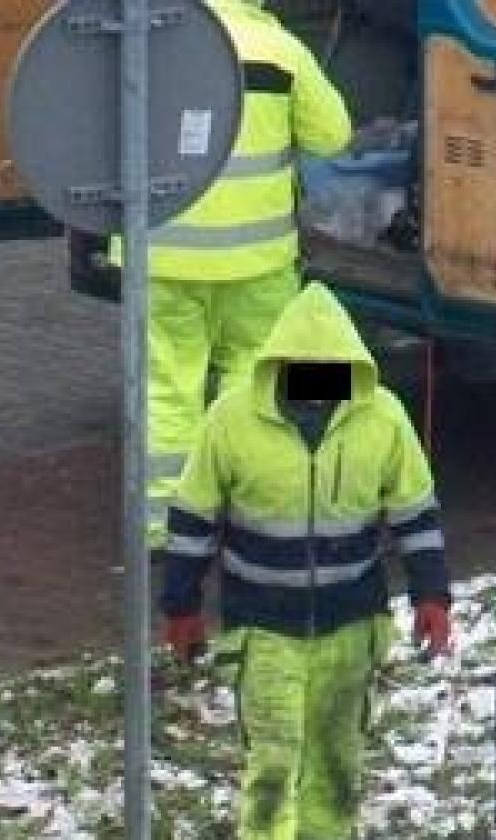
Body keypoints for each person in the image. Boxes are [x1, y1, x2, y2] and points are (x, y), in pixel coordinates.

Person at [158, 282, 453, 840]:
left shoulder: (382, 420)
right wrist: (180, 604)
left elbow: (415, 512)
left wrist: (431, 595)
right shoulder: (232, 422)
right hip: (264, 628)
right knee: (273, 758)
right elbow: (193, 517)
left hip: (352, 626)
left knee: (335, 756)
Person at [132, 0, 353, 547]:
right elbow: (334, 135)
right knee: (254, 384)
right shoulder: (277, 47)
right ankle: (241, 506)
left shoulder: (151, 38)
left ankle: (163, 526)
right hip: (257, 258)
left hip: (161, 252)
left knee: (165, 384)